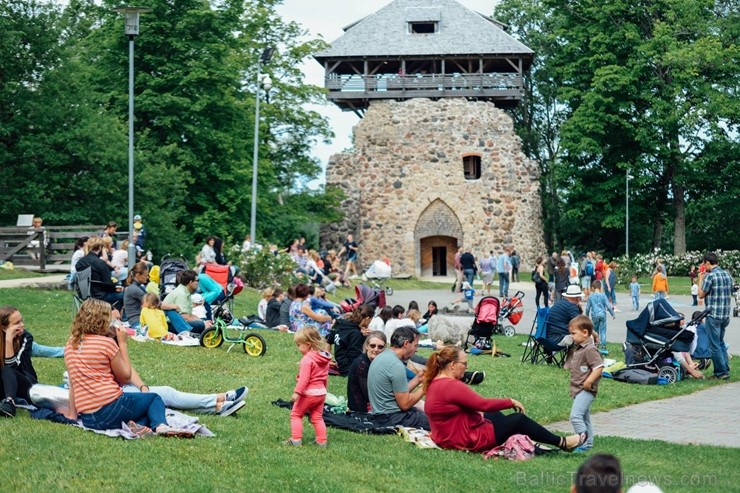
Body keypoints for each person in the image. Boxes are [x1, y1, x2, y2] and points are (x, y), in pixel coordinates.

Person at [64, 299, 193, 437]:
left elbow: (73, 384)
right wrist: (122, 344)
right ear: (102, 321)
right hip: (111, 408)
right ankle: (161, 426)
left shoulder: (71, 344)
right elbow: (125, 377)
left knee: (138, 408)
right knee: (153, 399)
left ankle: (138, 426)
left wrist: (72, 415)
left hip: (90, 418)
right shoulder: (106, 344)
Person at [423, 345, 586, 451]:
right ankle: (563, 443)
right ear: (452, 365)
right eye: (464, 364)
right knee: (518, 419)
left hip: (448, 437)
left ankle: (526, 441)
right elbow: (483, 404)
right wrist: (510, 401)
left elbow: (477, 407)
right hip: (465, 440)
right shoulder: (452, 386)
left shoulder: (435, 382)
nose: (467, 367)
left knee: (493, 416)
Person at [367, 326, 428, 429]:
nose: (416, 350)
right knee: (438, 421)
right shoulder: (395, 365)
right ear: (406, 344)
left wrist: (418, 378)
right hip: (392, 418)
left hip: (380, 415)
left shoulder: (383, 356)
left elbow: (398, 391)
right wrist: (425, 386)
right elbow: (405, 404)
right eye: (415, 345)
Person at [286, 327, 331, 447]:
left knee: (296, 414)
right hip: (321, 393)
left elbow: (304, 379)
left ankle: (296, 439)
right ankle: (322, 441)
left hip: (308, 394)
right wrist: (324, 391)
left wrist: (297, 393)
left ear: (308, 344)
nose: (298, 348)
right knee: (317, 417)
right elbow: (325, 377)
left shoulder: (307, 360)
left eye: (299, 345)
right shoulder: (324, 358)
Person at [565, 316, 603, 452]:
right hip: (578, 389)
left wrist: (589, 381)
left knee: (575, 416)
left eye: (573, 333)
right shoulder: (580, 348)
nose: (572, 337)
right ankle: (588, 443)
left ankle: (581, 443)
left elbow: (599, 367)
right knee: (584, 418)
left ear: (585, 333)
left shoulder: (590, 349)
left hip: (585, 389)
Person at [698, 251, 733, 380]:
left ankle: (720, 372)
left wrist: (700, 279)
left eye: (704, 263)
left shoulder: (710, 276)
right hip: (725, 315)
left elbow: (701, 295)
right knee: (721, 342)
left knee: (714, 345)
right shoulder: (727, 275)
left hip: (713, 314)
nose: (703, 266)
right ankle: (725, 368)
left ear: (708, 263)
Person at [0, 306, 39, 417]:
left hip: (26, 383)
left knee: (7, 369)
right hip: (4, 384)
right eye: (17, 323)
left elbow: (14, 367)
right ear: (4, 328)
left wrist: (8, 340)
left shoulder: (26, 338)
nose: (22, 325)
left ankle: (9, 403)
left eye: (21, 320)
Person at [74, 236, 123, 309]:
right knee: (125, 294)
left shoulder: (80, 263)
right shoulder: (100, 263)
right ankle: (122, 318)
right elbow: (108, 283)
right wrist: (116, 287)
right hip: (100, 296)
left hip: (84, 295)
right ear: (100, 247)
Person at [162, 270, 211, 334]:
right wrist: (203, 323)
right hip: (170, 324)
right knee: (200, 325)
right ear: (191, 282)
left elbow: (190, 315)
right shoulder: (181, 294)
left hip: (178, 323)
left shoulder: (185, 292)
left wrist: (204, 321)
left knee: (204, 320)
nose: (198, 283)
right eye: (197, 280)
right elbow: (185, 317)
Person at [347, 331, 386, 413]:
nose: (376, 349)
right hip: (362, 409)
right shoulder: (362, 365)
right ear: (366, 346)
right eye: (372, 346)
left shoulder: (374, 361)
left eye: (380, 347)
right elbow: (368, 394)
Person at [333, 305, 374, 375]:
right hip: (348, 368)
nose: (370, 323)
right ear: (367, 318)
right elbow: (356, 356)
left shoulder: (342, 324)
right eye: (370, 320)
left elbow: (328, 340)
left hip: (340, 363)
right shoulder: (355, 333)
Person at [585, 280, 614, 353]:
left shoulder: (591, 296)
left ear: (592, 288)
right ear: (600, 288)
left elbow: (587, 308)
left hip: (594, 315)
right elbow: (608, 306)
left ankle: (596, 345)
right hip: (602, 315)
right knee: (603, 330)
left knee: (595, 331)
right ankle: (603, 346)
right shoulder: (603, 295)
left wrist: (587, 316)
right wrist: (612, 314)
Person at [123, 262, 150, 328]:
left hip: (140, 320)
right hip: (137, 322)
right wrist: (173, 306)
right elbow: (152, 302)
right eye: (145, 275)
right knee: (169, 310)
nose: (147, 277)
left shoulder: (139, 287)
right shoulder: (134, 289)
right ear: (138, 275)